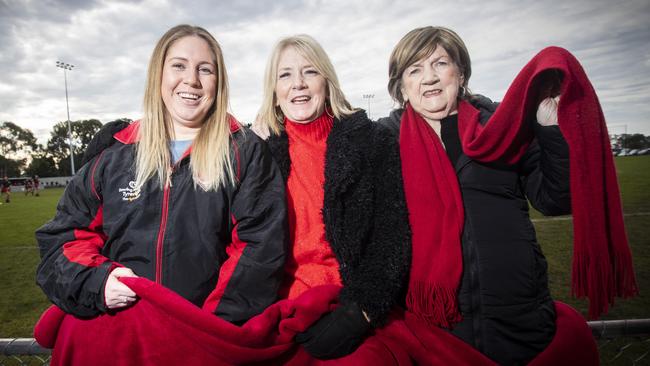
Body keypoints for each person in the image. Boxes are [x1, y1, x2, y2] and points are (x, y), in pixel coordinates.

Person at [36, 24, 287, 325]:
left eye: (205, 69)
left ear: (219, 82)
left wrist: (212, 327)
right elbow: (62, 239)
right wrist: (97, 282)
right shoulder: (114, 153)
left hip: (204, 336)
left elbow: (260, 250)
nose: (191, 80)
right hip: (123, 334)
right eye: (179, 66)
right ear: (159, 74)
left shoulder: (245, 152)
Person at [378, 26, 571, 365]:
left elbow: (556, 199)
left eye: (439, 63)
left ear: (461, 71)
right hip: (432, 324)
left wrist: (549, 126)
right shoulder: (381, 141)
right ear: (401, 85)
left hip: (517, 315)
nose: (429, 78)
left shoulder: (502, 125)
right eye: (415, 69)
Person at [252, 34, 411, 360]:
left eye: (309, 72)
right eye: (285, 75)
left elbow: (392, 235)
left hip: (350, 302)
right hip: (282, 308)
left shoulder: (371, 141)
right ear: (274, 89)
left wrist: (363, 311)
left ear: (327, 81)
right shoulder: (259, 152)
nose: (298, 83)